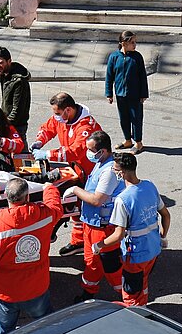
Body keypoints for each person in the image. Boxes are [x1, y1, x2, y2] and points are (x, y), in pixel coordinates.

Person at [0, 178, 63, 334]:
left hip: (6, 292)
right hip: (36, 288)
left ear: (6, 196)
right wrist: (49, 187)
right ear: (28, 197)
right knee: (45, 329)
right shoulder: (44, 216)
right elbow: (56, 207)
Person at [94, 152, 170, 306]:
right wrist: (162, 236)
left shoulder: (123, 200)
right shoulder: (149, 186)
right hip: (153, 249)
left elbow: (118, 235)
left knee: (130, 294)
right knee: (143, 282)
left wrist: (99, 245)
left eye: (116, 170)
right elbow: (166, 215)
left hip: (135, 255)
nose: (114, 173)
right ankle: (143, 305)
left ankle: (136, 318)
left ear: (122, 173)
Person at [31, 92, 102, 256]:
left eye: (57, 113)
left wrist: (47, 154)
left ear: (68, 110)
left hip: (91, 173)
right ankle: (78, 241)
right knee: (73, 205)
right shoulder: (64, 118)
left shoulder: (86, 127)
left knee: (77, 205)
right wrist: (39, 141)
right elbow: (48, 128)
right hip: (76, 169)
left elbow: (75, 151)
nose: (55, 116)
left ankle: (83, 241)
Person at [62, 131, 126, 302]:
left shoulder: (110, 171)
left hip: (104, 228)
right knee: (91, 262)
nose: (88, 153)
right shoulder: (101, 162)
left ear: (103, 151)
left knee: (112, 267)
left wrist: (75, 190)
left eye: (91, 150)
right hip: (91, 224)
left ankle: (129, 297)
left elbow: (97, 200)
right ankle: (88, 293)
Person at [105, 30, 149, 153]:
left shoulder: (137, 57)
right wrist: (109, 93)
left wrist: (143, 94)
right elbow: (109, 76)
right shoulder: (114, 57)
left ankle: (138, 142)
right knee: (124, 118)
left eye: (135, 42)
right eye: (132, 42)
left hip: (135, 95)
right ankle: (127, 140)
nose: (135, 45)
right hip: (120, 94)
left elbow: (142, 77)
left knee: (136, 118)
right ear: (124, 43)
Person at [0, 46, 31, 149]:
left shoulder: (19, 81)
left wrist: (4, 124)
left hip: (17, 125)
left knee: (21, 152)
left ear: (9, 61)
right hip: (8, 121)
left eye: (0, 63)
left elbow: (17, 110)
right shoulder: (4, 73)